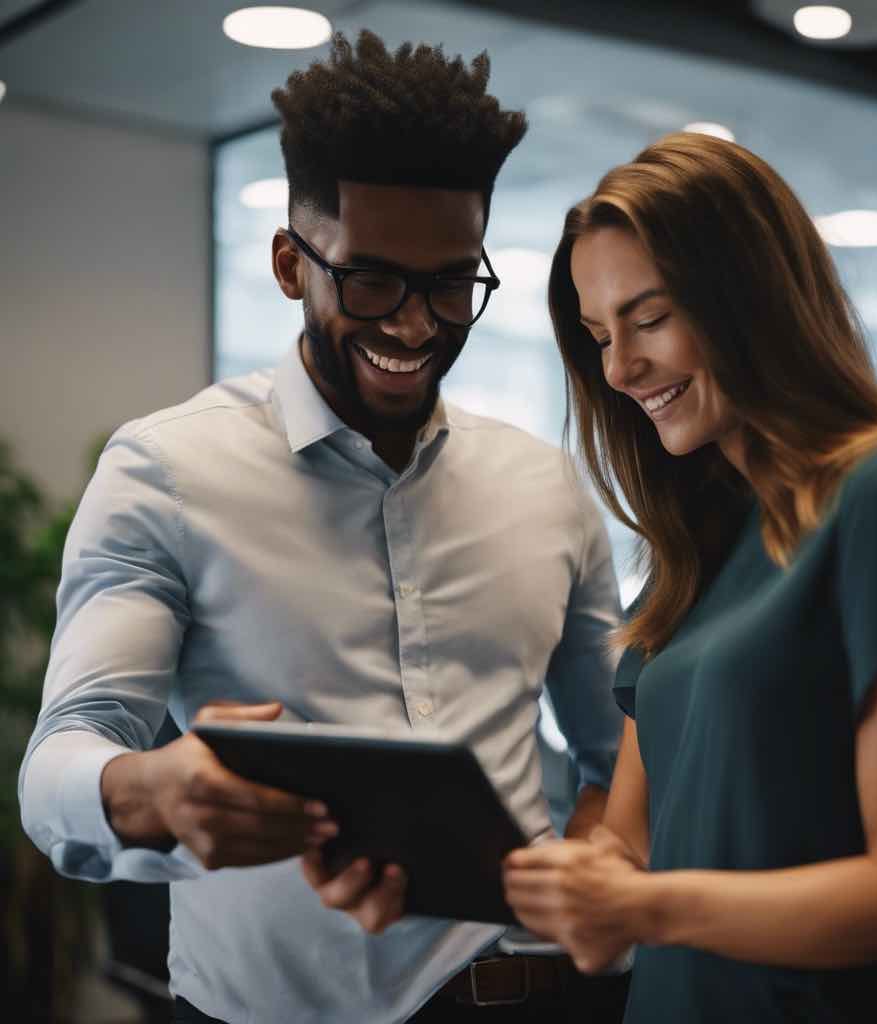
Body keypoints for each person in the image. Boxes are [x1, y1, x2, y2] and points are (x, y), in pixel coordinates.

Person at [18, 32, 630, 1024]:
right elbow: (58, 766)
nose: (415, 327)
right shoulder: (164, 470)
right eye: (371, 281)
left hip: (519, 999)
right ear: (287, 261)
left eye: (448, 284)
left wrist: (594, 859)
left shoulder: (545, 486)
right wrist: (152, 787)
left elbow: (614, 758)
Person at [502, 131, 877, 1023]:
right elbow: (626, 842)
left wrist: (645, 905)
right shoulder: (695, 547)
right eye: (599, 337)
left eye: (650, 318)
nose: (620, 370)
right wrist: (537, 879)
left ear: (753, 297)